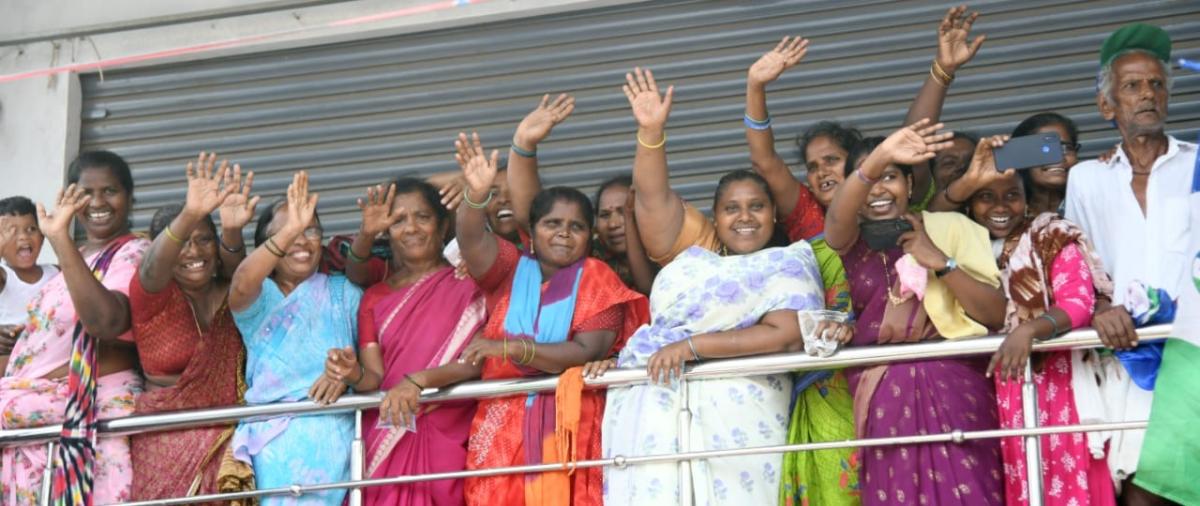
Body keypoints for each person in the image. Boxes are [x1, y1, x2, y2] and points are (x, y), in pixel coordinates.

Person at [598, 67, 825, 506]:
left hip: (740, 422)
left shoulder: (788, 260)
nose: (744, 217)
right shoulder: (694, 260)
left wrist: (691, 348)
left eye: (756, 207)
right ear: (715, 218)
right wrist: (650, 132)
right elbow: (650, 199)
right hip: (652, 414)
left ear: (774, 215)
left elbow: (784, 334)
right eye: (731, 208)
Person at [449, 131, 647, 506]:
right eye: (552, 224)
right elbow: (472, 239)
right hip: (499, 419)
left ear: (589, 237)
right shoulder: (510, 268)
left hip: (568, 424)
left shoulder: (597, 277)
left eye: (576, 227)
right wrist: (476, 196)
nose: (563, 234)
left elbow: (583, 352)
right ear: (533, 233)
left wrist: (510, 348)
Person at [824, 120, 1007, 506]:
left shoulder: (950, 228)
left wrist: (941, 262)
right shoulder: (850, 242)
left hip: (958, 392)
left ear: (910, 186)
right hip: (885, 401)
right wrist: (880, 157)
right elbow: (838, 217)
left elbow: (994, 314)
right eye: (869, 178)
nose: (877, 189)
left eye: (890, 176)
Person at [1063, 23, 1194, 505]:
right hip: (1129, 356)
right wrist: (1099, 305)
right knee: (1141, 486)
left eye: (1157, 84)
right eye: (1132, 85)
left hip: (1191, 351)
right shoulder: (1086, 179)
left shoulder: (1198, 163)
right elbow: (1078, 265)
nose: (1148, 95)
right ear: (1107, 106)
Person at [951, 137, 1117, 506]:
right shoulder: (963, 248)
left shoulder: (1048, 233)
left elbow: (1077, 303)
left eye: (1011, 195)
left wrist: (1028, 329)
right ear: (968, 203)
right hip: (1004, 394)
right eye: (985, 196)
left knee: (1072, 485)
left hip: (1058, 385)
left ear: (1026, 198)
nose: (999, 207)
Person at [319, 178, 487, 506]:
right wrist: (351, 373)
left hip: (449, 432)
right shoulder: (374, 297)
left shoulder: (473, 284)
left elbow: (478, 361)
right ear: (387, 232)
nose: (411, 228)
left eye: (422, 217)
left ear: (442, 227)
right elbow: (374, 378)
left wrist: (418, 382)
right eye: (398, 220)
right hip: (386, 433)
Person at [743, 36, 859, 505]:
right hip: (822, 379)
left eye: (832, 160)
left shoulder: (884, 207)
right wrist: (755, 86)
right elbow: (764, 160)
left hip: (873, 367)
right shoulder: (807, 214)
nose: (821, 172)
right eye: (812, 166)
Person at [0, 151, 148, 504]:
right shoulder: (75, 257)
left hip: (92, 399)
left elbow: (106, 324)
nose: (98, 202)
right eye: (86, 192)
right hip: (46, 405)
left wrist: (59, 238)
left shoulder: (136, 252)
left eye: (110, 190)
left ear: (129, 197)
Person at [126, 153, 257, 501]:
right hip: (164, 440)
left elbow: (243, 273)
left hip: (231, 441)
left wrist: (231, 229)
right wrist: (191, 214)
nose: (193, 250)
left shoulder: (233, 293)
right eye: (183, 241)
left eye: (204, 239)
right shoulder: (151, 295)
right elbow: (152, 268)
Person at [227, 171, 362, 505]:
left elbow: (370, 368)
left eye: (310, 230)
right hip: (274, 449)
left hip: (338, 442)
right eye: (289, 234)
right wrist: (292, 230)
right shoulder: (258, 298)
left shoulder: (344, 292)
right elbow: (241, 281)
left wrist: (347, 376)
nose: (301, 240)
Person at [503, 94, 657, 294]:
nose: (613, 223)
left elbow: (648, 286)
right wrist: (524, 144)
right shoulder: (588, 253)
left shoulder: (662, 250)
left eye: (624, 211)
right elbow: (531, 212)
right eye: (604, 215)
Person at [933, 113, 1082, 216]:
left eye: (1066, 148)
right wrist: (971, 179)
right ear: (1021, 155)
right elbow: (933, 214)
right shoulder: (1008, 207)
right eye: (1046, 149)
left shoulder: (1088, 201)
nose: (1057, 157)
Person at [0, 196, 59, 373]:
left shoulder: (56, 272)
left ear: (42, 235)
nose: (23, 237)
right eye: (11, 231)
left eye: (31, 229)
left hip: (48, 358)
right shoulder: (4, 275)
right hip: (9, 355)